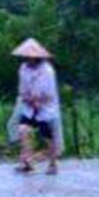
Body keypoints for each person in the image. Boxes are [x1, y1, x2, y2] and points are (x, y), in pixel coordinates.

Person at [8, 38, 63, 175]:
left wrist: (36, 100)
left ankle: (52, 164)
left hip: (45, 108)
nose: (27, 59)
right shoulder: (23, 68)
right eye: (26, 56)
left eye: (30, 56)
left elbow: (49, 94)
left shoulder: (47, 71)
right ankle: (27, 162)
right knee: (22, 130)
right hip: (29, 106)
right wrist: (26, 98)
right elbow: (22, 89)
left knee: (47, 137)